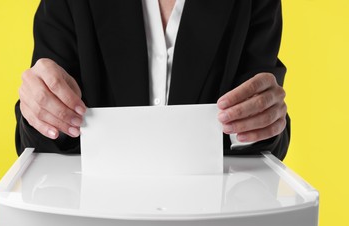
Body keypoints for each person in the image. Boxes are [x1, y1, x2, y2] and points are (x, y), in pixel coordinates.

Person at [15, 0, 290, 160]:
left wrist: (263, 121)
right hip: (94, 220)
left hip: (210, 224)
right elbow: (38, 141)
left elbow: (264, 145)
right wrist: (42, 109)